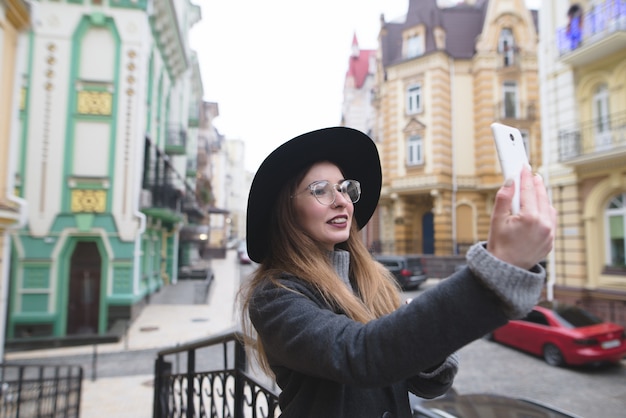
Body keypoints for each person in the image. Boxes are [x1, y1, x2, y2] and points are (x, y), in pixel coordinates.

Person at [239, 127, 557, 418]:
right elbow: (361, 355)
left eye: (345, 188)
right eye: (321, 190)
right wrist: (495, 273)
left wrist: (418, 340)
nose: (342, 201)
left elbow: (432, 385)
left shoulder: (369, 279)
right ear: (287, 209)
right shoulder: (275, 296)